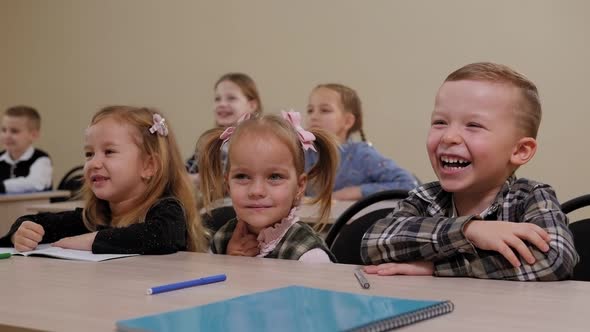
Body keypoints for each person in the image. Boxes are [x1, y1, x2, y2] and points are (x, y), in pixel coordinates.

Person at [361, 62, 578, 281]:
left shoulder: (531, 197)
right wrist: (468, 231)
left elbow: (554, 260)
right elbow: (374, 243)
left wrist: (437, 268)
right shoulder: (426, 198)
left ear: (520, 150)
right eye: (440, 122)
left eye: (473, 125)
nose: (448, 137)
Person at [0, 106, 208, 254]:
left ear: (149, 166)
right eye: (89, 154)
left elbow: (163, 237)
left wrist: (94, 240)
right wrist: (21, 231)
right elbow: (41, 222)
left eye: (108, 152)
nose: (94, 163)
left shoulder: (167, 210)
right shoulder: (96, 216)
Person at [199, 111, 338, 262]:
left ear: (299, 186)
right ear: (228, 185)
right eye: (242, 176)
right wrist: (231, 261)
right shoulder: (222, 238)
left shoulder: (309, 255)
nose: (256, 191)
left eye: (274, 177)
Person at [305, 83, 417, 201]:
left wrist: (354, 192)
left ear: (348, 121)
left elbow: (409, 184)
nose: (313, 116)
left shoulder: (362, 155)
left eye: (324, 110)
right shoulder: (303, 154)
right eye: (310, 110)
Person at [186, 72, 263, 185]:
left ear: (252, 105)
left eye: (231, 98)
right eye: (217, 99)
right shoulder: (209, 142)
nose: (222, 104)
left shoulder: (261, 141)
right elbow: (184, 174)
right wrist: (197, 179)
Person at [0, 105, 52, 193]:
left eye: (14, 131)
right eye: (4, 130)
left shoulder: (41, 159)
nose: (7, 136)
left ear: (33, 135)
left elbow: (36, 183)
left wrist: (3, 186)